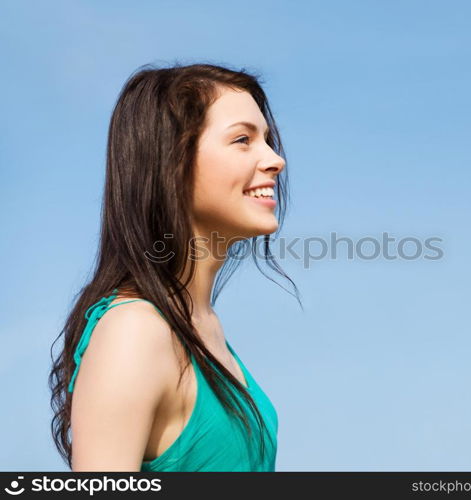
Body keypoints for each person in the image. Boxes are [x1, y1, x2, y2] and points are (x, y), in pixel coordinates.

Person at [48, 63, 301, 472]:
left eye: (268, 141)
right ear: (172, 162)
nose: (275, 160)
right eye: (242, 140)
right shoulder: (135, 330)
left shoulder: (204, 326)